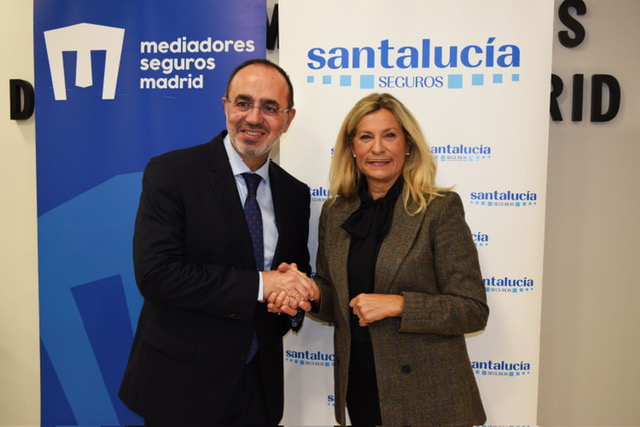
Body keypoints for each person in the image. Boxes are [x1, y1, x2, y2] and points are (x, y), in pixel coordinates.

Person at [119, 58, 318, 426]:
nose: (254, 117)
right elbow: (156, 274)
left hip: (259, 388)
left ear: (288, 119)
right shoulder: (172, 173)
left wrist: (293, 296)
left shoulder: (295, 193)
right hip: (181, 387)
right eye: (243, 103)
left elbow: (292, 271)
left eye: (270, 107)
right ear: (226, 106)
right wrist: (264, 284)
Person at [272, 92, 489, 426]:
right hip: (361, 382)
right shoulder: (335, 212)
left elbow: (472, 310)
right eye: (365, 137)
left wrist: (399, 305)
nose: (377, 148)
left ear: (408, 145)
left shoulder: (439, 209)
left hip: (430, 394)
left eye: (389, 135)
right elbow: (335, 301)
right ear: (352, 148)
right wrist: (310, 293)